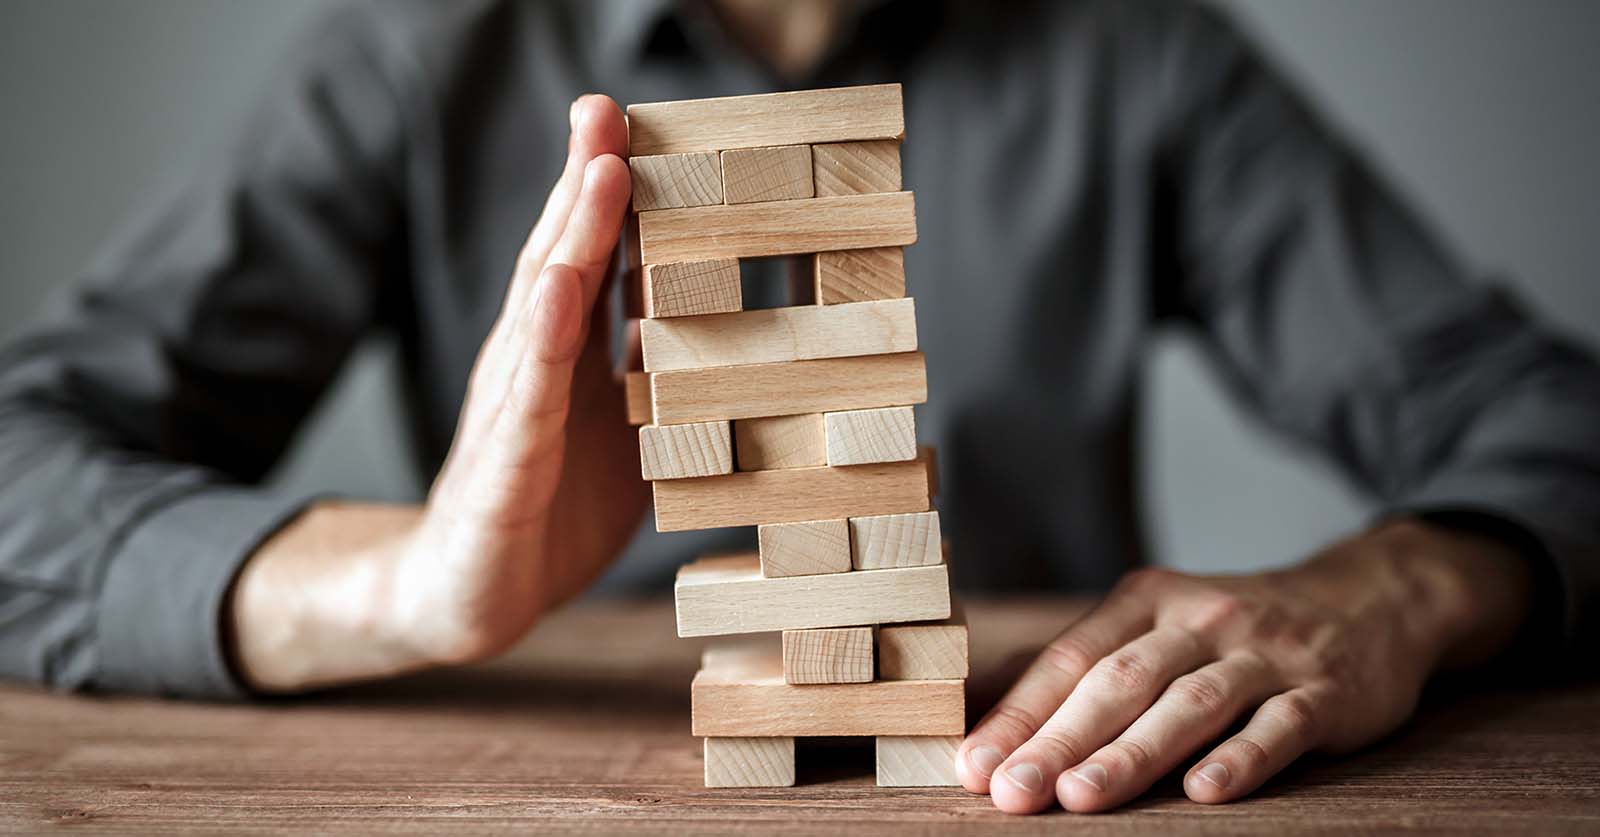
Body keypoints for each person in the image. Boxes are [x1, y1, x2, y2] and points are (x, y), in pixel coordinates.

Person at [1, 0, 1596, 817]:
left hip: (1020, 777)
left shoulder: (1138, 54)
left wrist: (1399, 581)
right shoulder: (419, 57)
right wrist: (402, 578)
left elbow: (1540, 411)